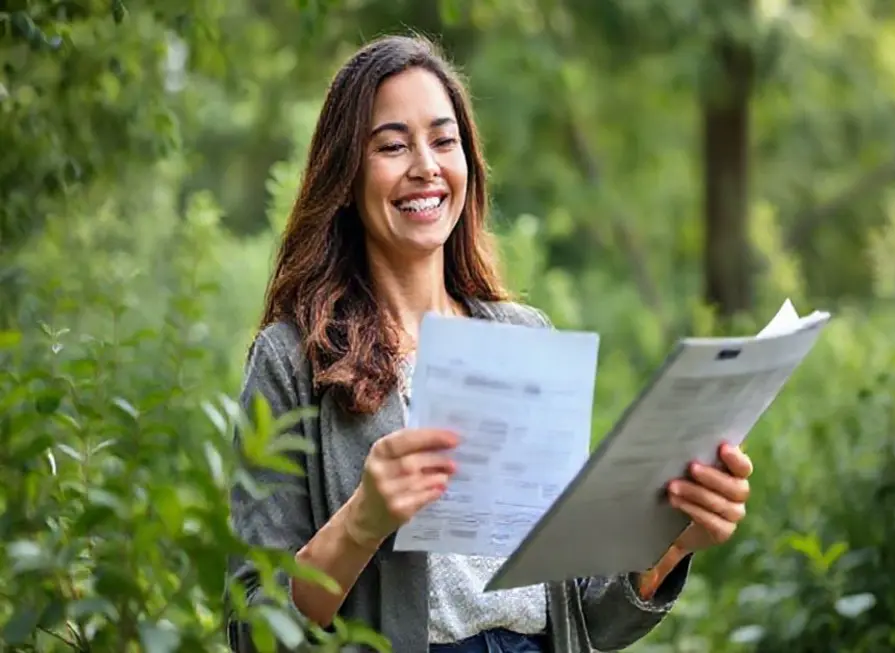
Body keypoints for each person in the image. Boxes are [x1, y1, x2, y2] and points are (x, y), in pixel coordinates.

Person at [225, 33, 755, 653]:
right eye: (393, 146)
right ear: (345, 177)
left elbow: (582, 616)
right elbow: (253, 631)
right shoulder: (292, 359)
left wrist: (670, 540)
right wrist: (361, 522)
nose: (425, 165)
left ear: (467, 162)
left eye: (444, 141)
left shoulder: (523, 338)